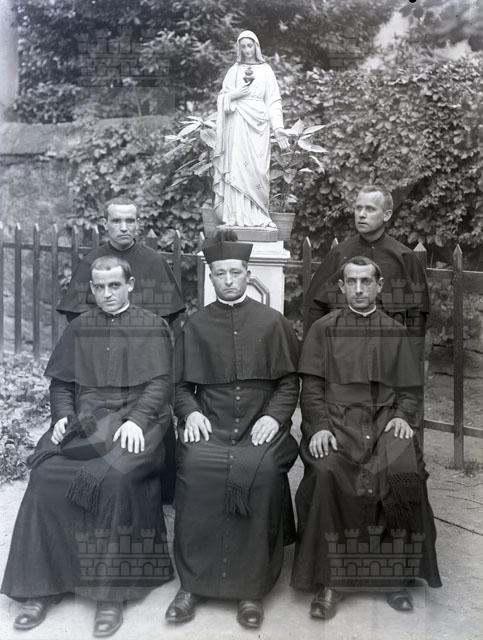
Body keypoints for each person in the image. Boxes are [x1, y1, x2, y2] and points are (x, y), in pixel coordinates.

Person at [2, 256, 174, 637]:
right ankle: (41, 587)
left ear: (130, 285)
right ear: (92, 288)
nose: (107, 294)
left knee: (115, 480)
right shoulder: (79, 327)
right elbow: (62, 384)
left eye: (115, 285)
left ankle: (110, 595)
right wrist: (62, 416)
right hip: (87, 424)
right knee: (45, 476)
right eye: (100, 287)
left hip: (137, 424)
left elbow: (160, 384)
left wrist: (138, 420)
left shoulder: (152, 326)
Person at [291, 256, 441, 620]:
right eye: (352, 282)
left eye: (366, 282)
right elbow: (312, 389)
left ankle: (394, 577)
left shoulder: (395, 332)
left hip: (384, 421)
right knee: (327, 472)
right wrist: (319, 426)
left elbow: (409, 391)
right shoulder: (322, 330)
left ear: (379, 286)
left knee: (401, 473)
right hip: (337, 424)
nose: (359, 289)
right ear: (342, 287)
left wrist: (402, 416)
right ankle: (330, 582)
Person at [165, 231, 300, 629]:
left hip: (260, 425)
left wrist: (274, 417)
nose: (228, 280)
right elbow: (179, 387)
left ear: (247, 274)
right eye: (220, 274)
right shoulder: (194, 325)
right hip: (212, 424)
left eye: (235, 273)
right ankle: (192, 585)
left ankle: (250, 589)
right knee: (196, 470)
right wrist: (190, 413)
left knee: (261, 475)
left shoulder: (273, 323)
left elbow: (288, 383)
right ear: (211, 278)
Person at [57, 196, 185, 503]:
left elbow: (167, 319)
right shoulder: (92, 262)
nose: (124, 227)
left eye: (130, 220)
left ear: (138, 224)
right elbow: (79, 321)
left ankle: (159, 492)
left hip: (144, 362)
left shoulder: (154, 261)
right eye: (116, 221)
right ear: (105, 224)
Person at [213, 30, 290, 228]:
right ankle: (236, 216)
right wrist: (235, 95)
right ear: (239, 48)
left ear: (256, 46)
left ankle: (260, 215)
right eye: (243, 46)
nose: (247, 50)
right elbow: (223, 98)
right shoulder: (234, 71)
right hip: (238, 123)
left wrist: (278, 127)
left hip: (260, 126)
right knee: (237, 170)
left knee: (258, 172)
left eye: (250, 46)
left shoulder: (266, 71)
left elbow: (274, 101)